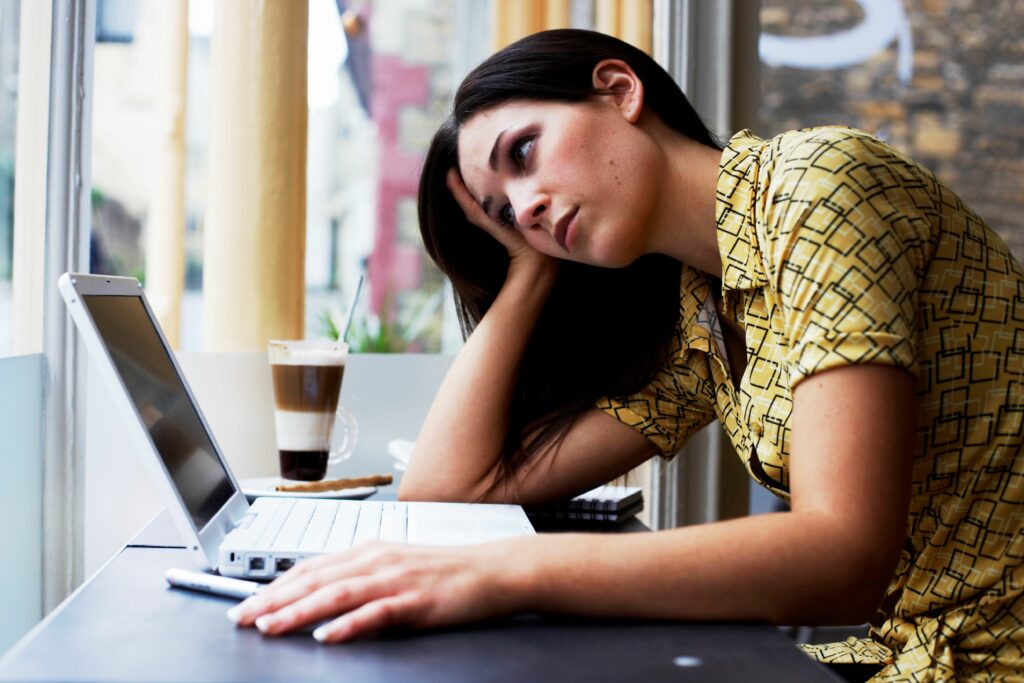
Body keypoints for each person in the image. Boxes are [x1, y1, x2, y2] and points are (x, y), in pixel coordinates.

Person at [227, 29, 1023, 681]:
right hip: (910, 657)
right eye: (507, 212)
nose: (529, 206)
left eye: (527, 151)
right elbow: (448, 491)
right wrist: (533, 267)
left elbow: (842, 552)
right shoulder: (706, 318)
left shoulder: (819, 186)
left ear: (620, 90)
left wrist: (501, 574)